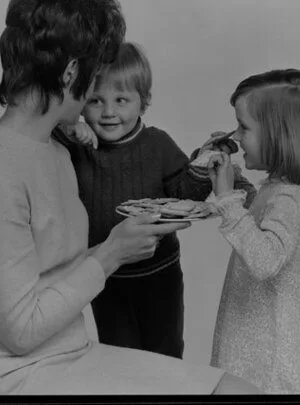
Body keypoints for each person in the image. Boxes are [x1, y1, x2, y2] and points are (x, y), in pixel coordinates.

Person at [0, 0, 260, 395]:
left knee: (240, 392)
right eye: (97, 73)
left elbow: (52, 274)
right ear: (72, 73)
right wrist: (112, 253)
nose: (103, 97)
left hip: (72, 355)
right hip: (14, 378)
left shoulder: (55, 150)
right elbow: (20, 330)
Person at [51, 41, 256, 360]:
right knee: (120, 359)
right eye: (95, 101)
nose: (108, 112)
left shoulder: (157, 144)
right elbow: (43, 131)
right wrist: (69, 126)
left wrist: (202, 167)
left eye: (121, 100)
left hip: (161, 275)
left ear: (143, 102)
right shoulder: (78, 146)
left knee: (167, 354)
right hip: (105, 277)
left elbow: (184, 193)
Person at [206, 69, 300, 394]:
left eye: (244, 127)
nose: (237, 136)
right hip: (288, 352)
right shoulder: (292, 190)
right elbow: (268, 226)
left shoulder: (289, 197)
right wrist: (236, 184)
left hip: (275, 366)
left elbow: (266, 259)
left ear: (279, 136)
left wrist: (227, 200)